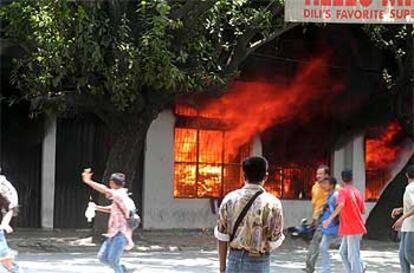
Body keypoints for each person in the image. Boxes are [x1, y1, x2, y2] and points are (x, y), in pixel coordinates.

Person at [215, 156, 284, 273]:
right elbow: (275, 240)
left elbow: (222, 237)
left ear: (244, 176)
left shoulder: (229, 199)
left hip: (234, 262)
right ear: (266, 176)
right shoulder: (273, 203)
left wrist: (222, 268)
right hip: (259, 263)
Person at [81, 169, 136, 273]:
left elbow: (104, 190)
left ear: (111, 183)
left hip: (120, 234)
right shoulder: (121, 197)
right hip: (113, 234)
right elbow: (112, 209)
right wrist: (97, 208)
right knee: (102, 257)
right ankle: (123, 269)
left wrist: (88, 181)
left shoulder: (119, 195)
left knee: (113, 261)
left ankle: (121, 270)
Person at [323, 169, 366, 273]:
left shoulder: (342, 191)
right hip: (353, 227)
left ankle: (359, 269)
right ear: (352, 178)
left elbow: (341, 205)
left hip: (352, 228)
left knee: (353, 256)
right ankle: (359, 267)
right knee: (343, 252)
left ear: (342, 180)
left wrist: (329, 219)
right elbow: (363, 210)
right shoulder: (357, 192)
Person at [304, 165, 330, 273]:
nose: (318, 176)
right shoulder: (315, 187)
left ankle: (310, 267)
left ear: (327, 175)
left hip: (327, 218)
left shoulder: (334, 187)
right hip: (317, 218)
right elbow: (314, 205)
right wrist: (313, 220)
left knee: (316, 242)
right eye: (317, 174)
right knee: (316, 242)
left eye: (321, 174)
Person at [391, 165, 414, 273]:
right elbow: (411, 206)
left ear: (406, 175)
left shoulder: (410, 188)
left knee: (409, 255)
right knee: (403, 257)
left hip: (411, 227)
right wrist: (401, 209)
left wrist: (401, 219)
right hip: (407, 226)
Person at [318, 177, 339, 273]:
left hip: (334, 226)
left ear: (331, 185)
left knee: (346, 249)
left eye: (326, 183)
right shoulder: (329, 196)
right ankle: (325, 270)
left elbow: (338, 210)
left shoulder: (335, 196)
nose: (324, 185)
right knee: (323, 246)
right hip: (329, 227)